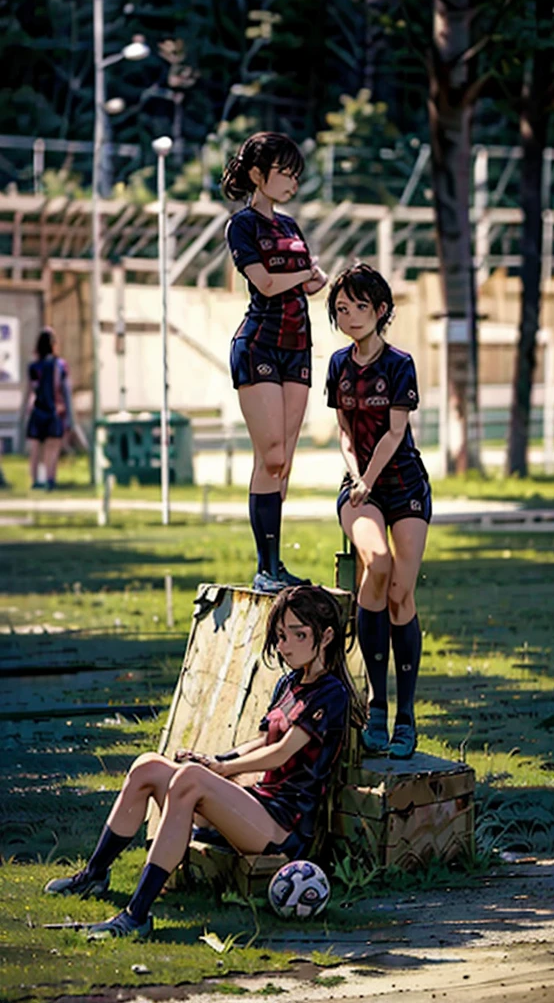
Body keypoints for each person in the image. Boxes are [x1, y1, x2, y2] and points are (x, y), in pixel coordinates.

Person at [44, 585, 361, 940]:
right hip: (257, 805)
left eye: (299, 635)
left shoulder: (332, 692)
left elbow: (283, 751)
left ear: (328, 635)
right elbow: (261, 740)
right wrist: (217, 759)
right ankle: (95, 876)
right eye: (282, 635)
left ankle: (137, 915)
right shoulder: (289, 683)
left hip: (283, 828)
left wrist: (223, 771)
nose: (285, 646)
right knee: (147, 766)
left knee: (191, 779)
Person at [325, 263, 432, 760]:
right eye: (342, 308)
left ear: (381, 310)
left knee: (400, 596)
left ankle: (406, 717)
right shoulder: (337, 365)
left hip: (403, 484)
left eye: (359, 307)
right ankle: (376, 704)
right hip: (359, 490)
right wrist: (356, 478)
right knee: (378, 564)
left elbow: (394, 433)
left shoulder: (400, 364)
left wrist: (371, 478)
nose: (350, 316)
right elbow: (345, 432)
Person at [222, 132, 328, 593]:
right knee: (272, 455)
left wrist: (313, 279)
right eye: (284, 172)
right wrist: (308, 273)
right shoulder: (241, 225)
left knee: (284, 465)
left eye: (295, 175)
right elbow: (266, 284)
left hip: (297, 345)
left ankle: (276, 566)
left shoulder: (291, 226)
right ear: (257, 175)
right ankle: (265, 568)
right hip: (259, 344)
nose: (291, 182)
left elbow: (310, 285)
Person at [26, 327, 72, 490]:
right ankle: (50, 478)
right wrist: (69, 416)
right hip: (54, 411)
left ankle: (35, 480)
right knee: (52, 447)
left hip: (37, 411)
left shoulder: (34, 366)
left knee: (36, 448)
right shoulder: (60, 365)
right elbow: (65, 391)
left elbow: (31, 391)